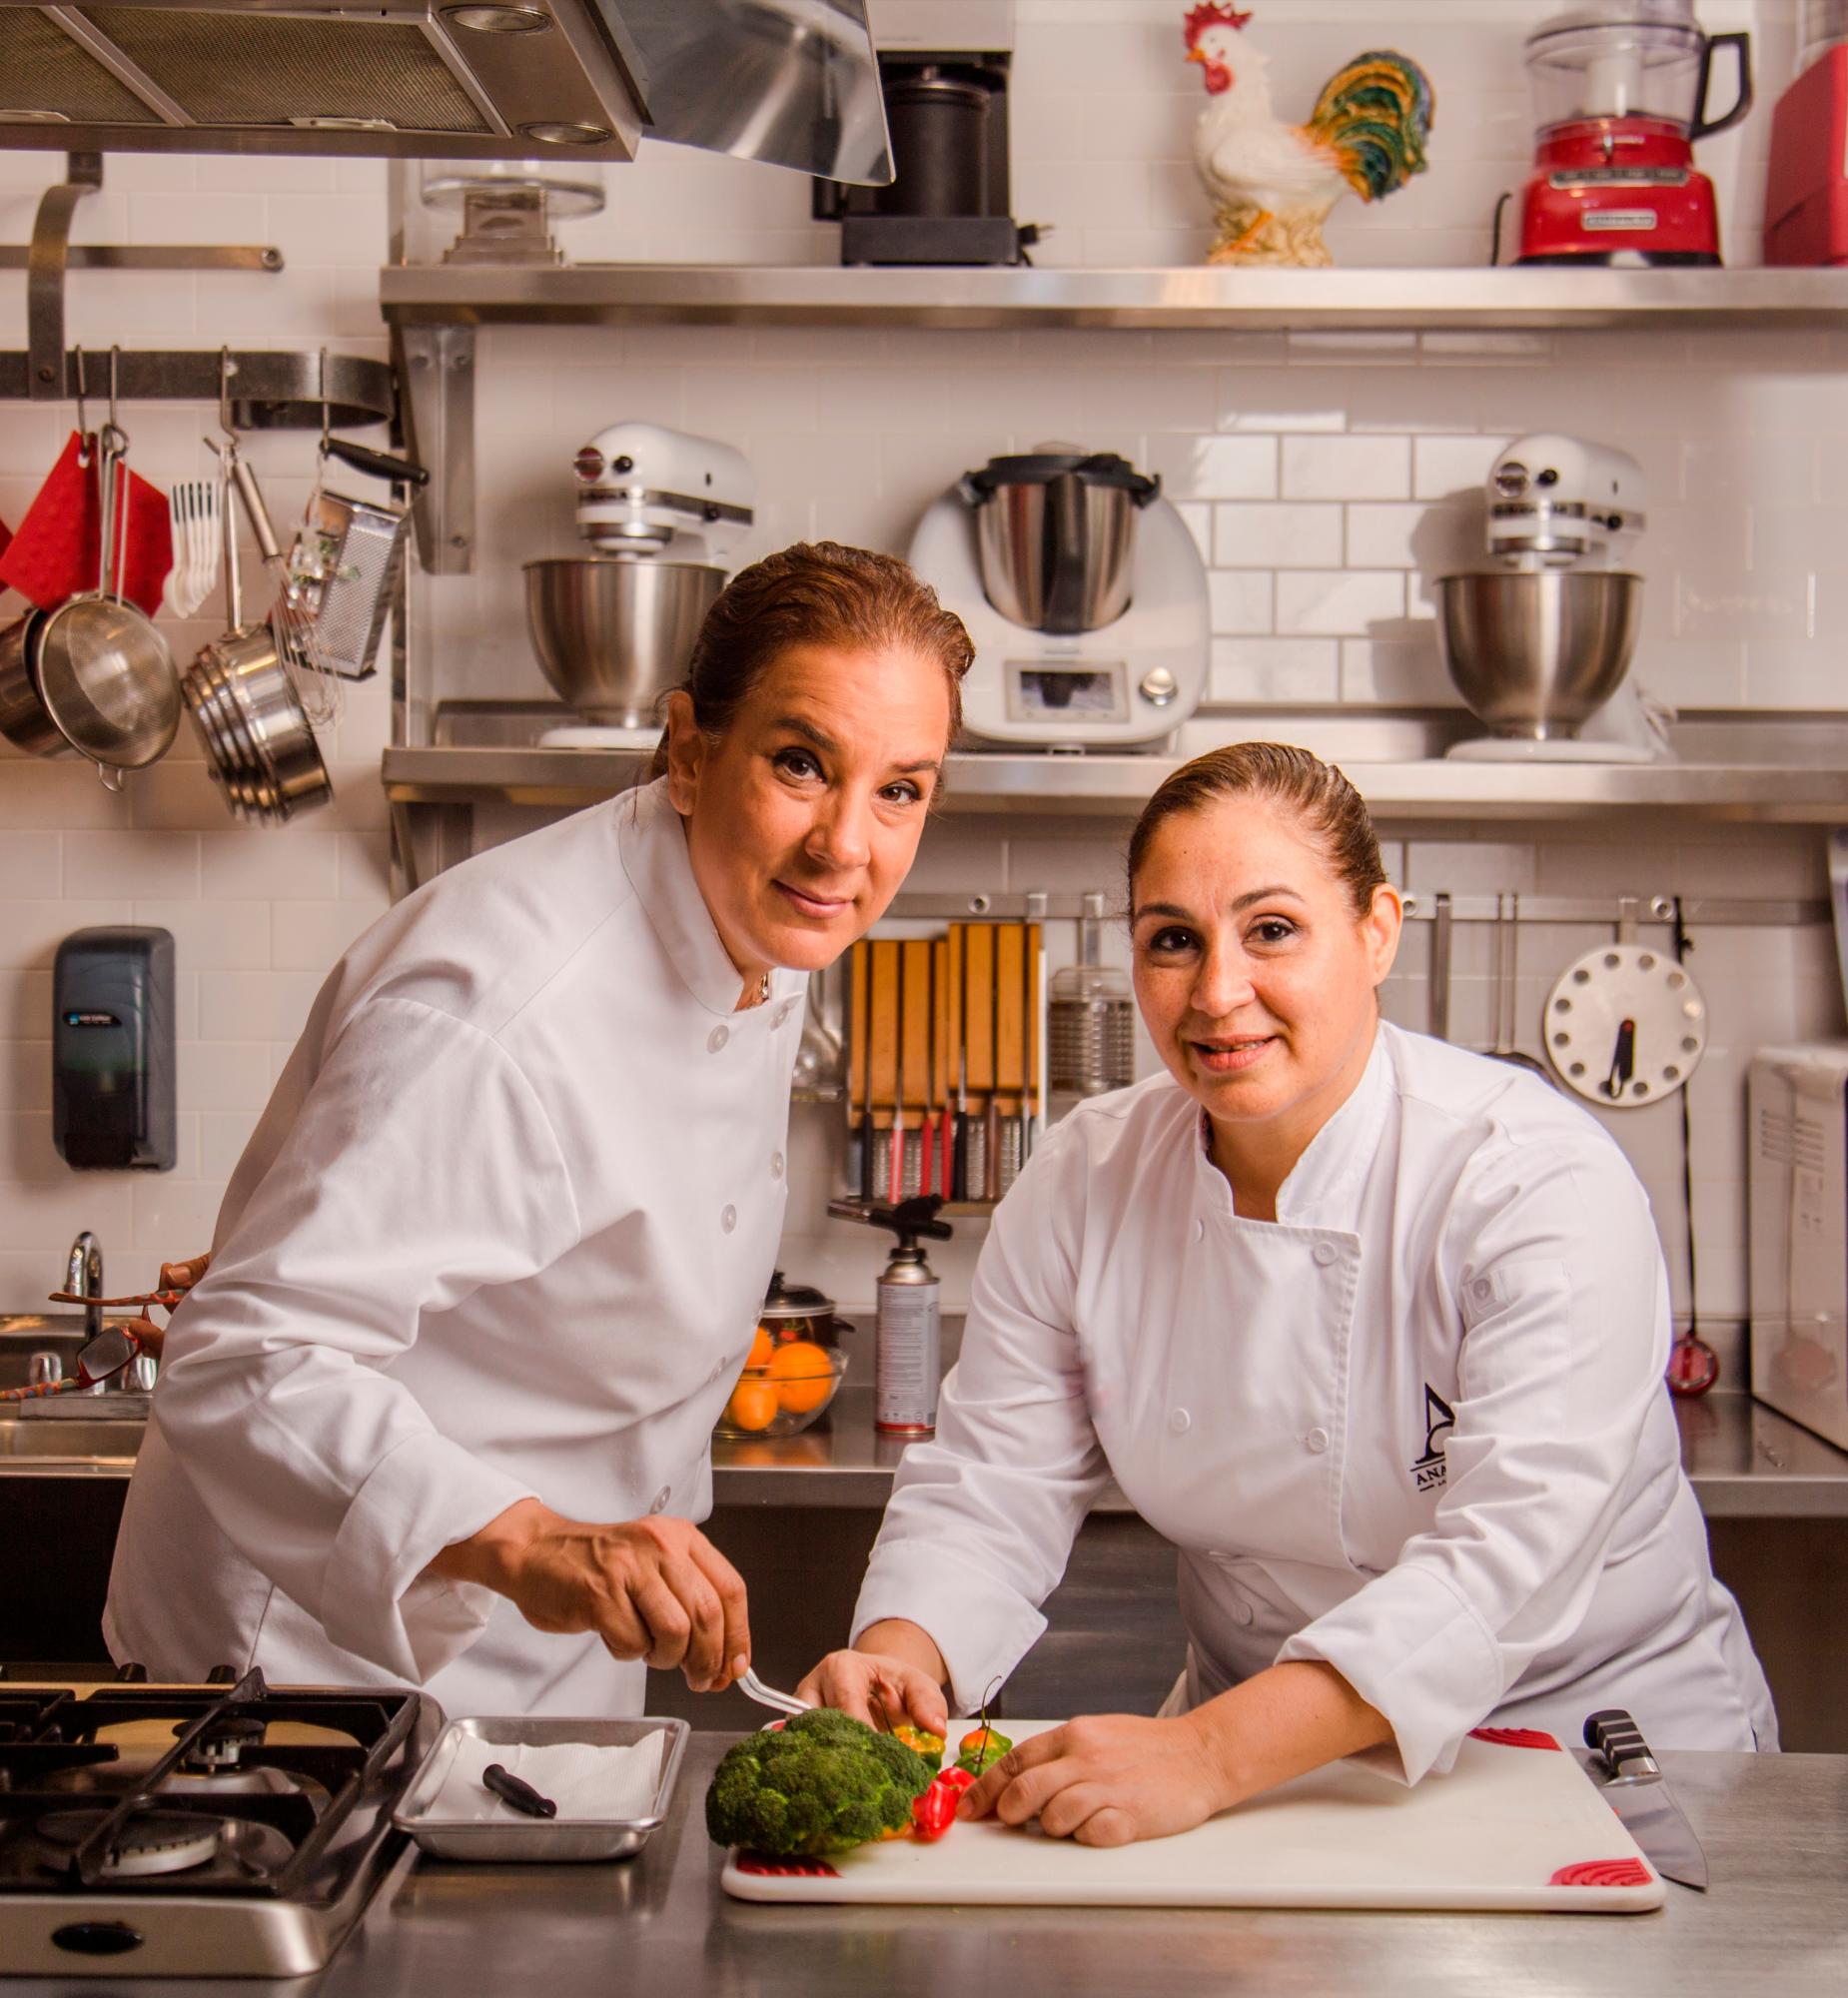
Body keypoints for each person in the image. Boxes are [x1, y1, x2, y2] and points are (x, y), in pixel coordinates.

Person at [799, 741, 1775, 1847]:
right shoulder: (1085, 1176)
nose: (1217, 993)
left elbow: (1505, 1563)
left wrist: (1209, 1752)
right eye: (1173, 939)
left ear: (1374, 931)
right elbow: (990, 1483)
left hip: (1578, 1748)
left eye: (1270, 929)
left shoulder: (1529, 1178)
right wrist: (896, 1656)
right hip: (1255, 1775)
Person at [105, 541, 970, 1716]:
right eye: (801, 763)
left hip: (552, 1645)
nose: (846, 846)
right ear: (687, 748)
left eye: (900, 788)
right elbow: (243, 1358)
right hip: (308, 1667)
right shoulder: (503, 1007)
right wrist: (529, 1544)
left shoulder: (760, 913)